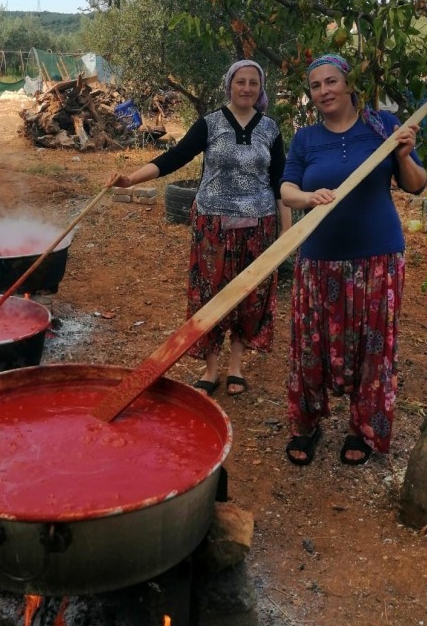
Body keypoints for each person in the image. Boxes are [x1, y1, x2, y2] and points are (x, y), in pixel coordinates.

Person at [107, 59, 290, 397]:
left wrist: (286, 234)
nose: (247, 88)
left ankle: (236, 366)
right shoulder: (210, 124)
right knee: (210, 293)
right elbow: (175, 158)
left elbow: (281, 182)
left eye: (254, 83)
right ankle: (211, 368)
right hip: (213, 225)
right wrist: (130, 178)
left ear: (260, 89)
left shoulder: (271, 129)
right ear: (229, 85)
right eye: (241, 82)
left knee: (251, 295)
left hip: (259, 226)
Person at [279, 54, 427, 466]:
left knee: (373, 349)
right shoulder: (305, 138)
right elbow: (287, 188)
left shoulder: (382, 127)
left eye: (331, 82)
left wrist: (403, 155)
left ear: (347, 85)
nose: (324, 91)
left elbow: (417, 184)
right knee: (311, 346)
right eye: (315, 85)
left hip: (378, 259)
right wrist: (308, 198)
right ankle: (306, 424)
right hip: (318, 259)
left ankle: (362, 430)